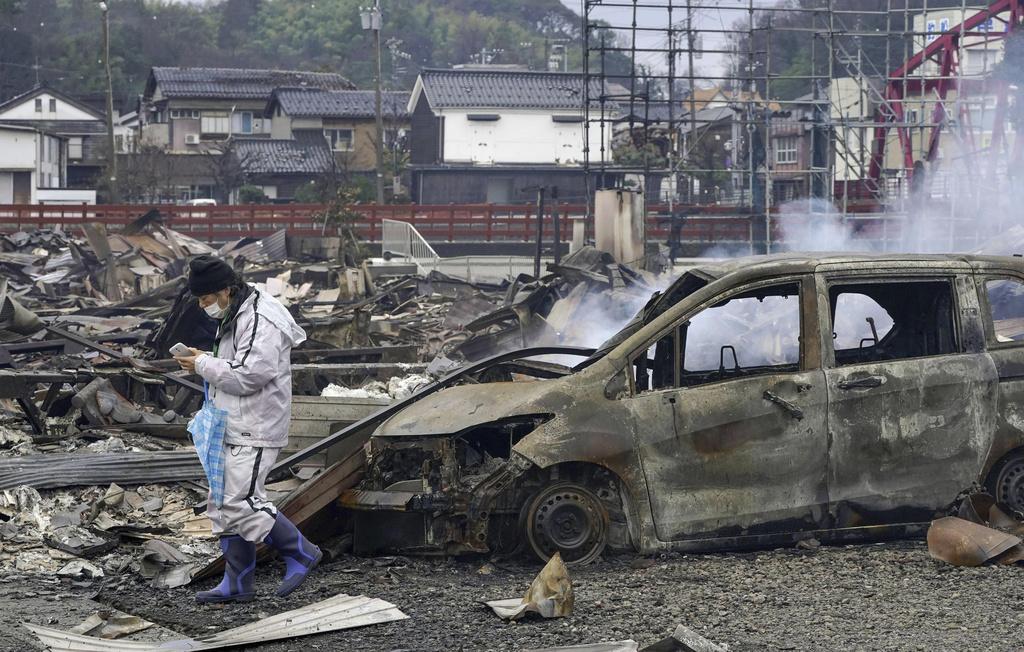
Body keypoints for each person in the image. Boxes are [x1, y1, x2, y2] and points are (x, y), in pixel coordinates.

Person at [174, 255, 321, 603]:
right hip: (232, 422)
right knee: (221, 503)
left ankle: (300, 551)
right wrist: (201, 360)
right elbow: (236, 364)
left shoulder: (260, 316)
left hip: (255, 424)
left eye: (206, 299)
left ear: (225, 289)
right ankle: (238, 583)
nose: (202, 306)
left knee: (240, 501)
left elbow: (249, 375)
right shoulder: (237, 311)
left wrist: (201, 364)